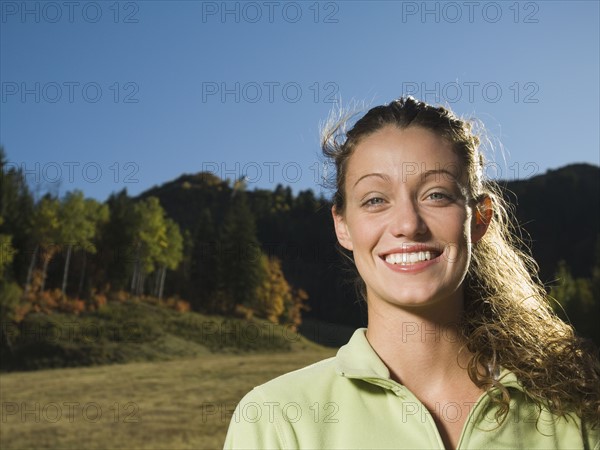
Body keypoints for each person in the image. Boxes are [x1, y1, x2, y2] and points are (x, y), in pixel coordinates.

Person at [223, 96, 600, 449]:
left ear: (479, 219)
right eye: (375, 200)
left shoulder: (575, 409)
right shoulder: (275, 420)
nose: (407, 223)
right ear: (343, 226)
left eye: (436, 194)